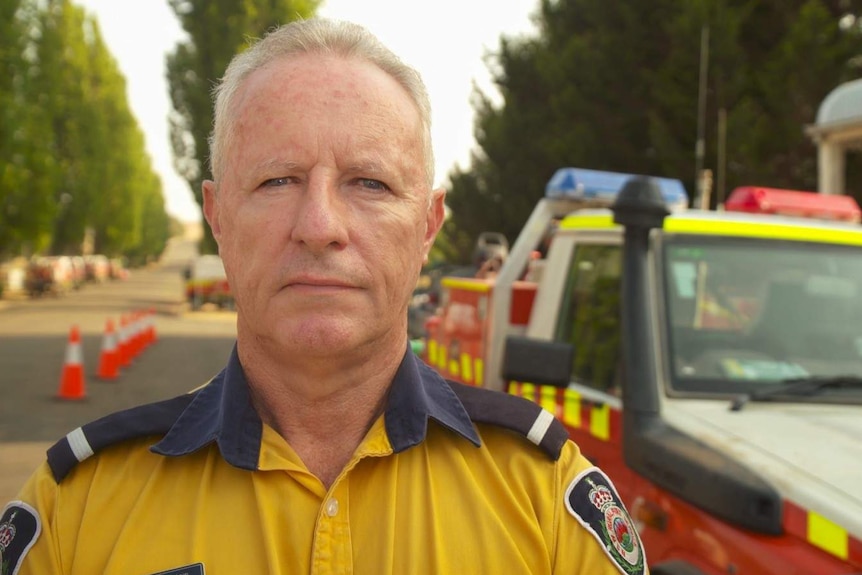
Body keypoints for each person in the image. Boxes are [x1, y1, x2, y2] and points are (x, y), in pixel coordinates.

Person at [2, 18, 647, 575]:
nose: (320, 227)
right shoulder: (77, 510)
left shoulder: (544, 499)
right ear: (218, 216)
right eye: (278, 180)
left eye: (369, 183)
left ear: (428, 226)